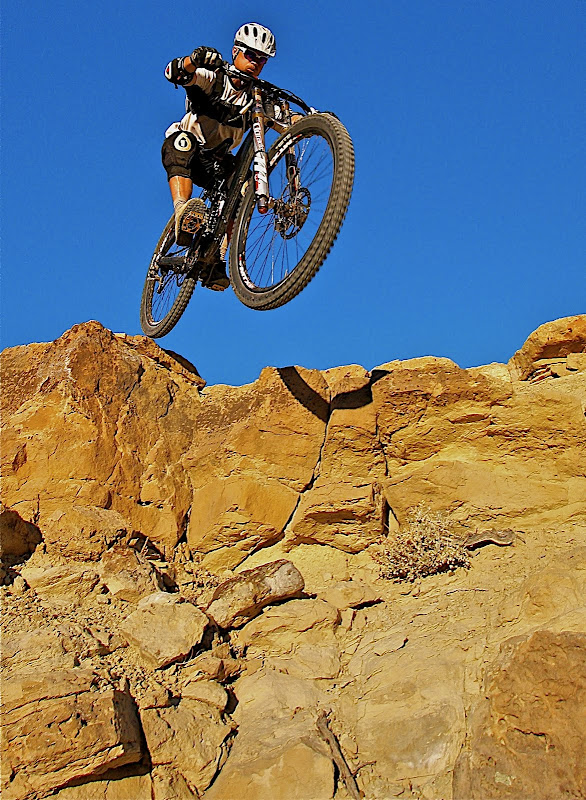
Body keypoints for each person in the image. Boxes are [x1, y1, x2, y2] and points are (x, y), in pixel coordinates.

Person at [162, 23, 277, 290]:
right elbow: (174, 72)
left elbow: (287, 122)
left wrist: (318, 121)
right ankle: (182, 213)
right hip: (192, 151)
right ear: (236, 51)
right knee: (181, 142)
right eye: (251, 54)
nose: (256, 62)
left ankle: (217, 258)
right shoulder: (214, 77)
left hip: (219, 162)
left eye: (262, 59)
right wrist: (194, 60)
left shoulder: (257, 98)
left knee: (245, 187)